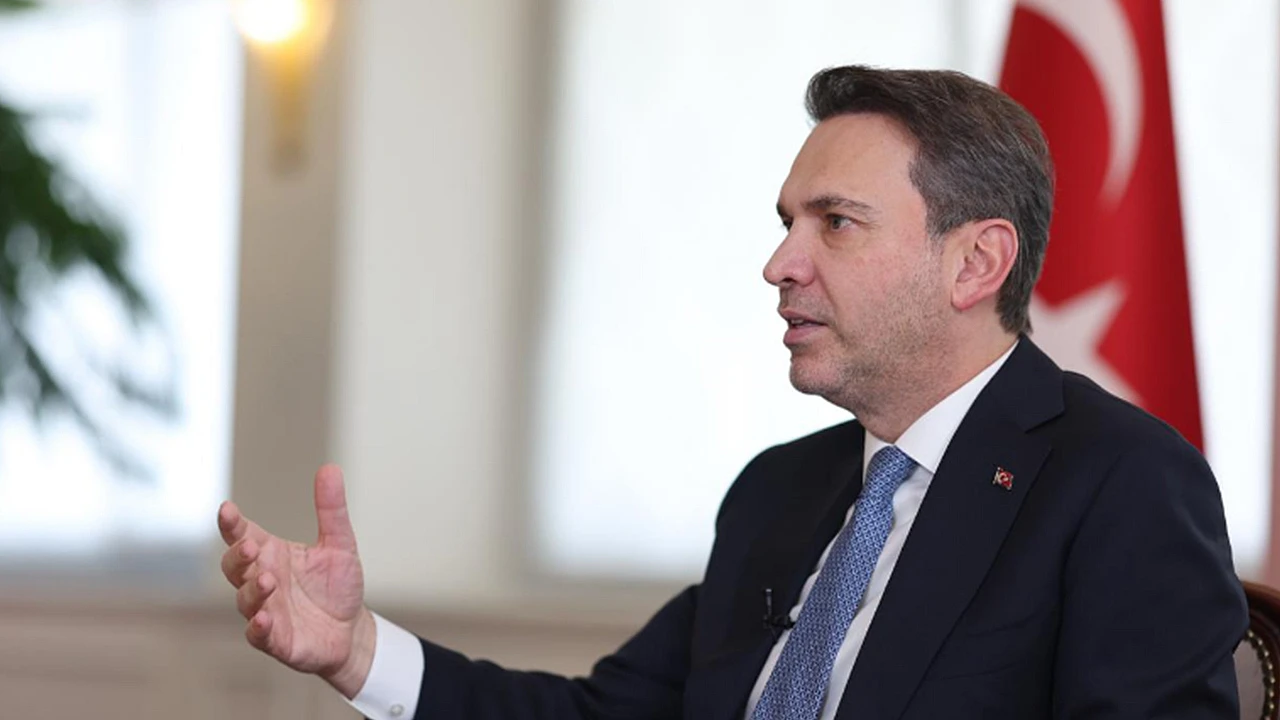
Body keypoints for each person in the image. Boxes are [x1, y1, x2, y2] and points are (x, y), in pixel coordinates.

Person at [218, 65, 1247, 719]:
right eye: (785, 223)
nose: (779, 264)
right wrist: (359, 652)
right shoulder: (778, 493)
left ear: (975, 263)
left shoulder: (1119, 484)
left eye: (834, 223)